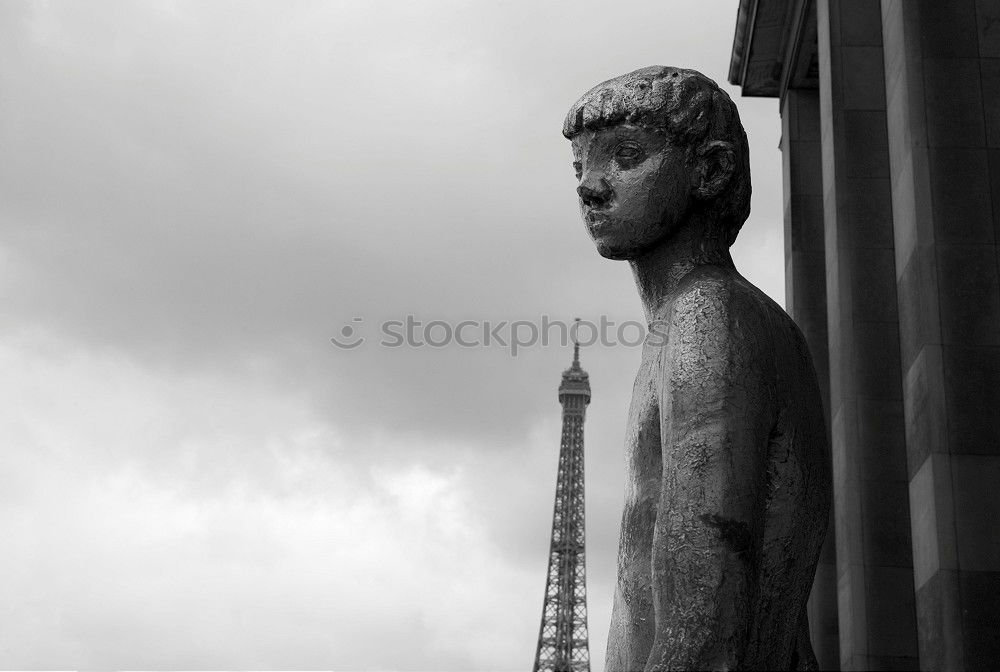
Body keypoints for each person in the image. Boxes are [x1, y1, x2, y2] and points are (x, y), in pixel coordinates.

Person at [564, 66, 830, 671]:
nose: (590, 186)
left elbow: (705, 628)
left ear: (709, 171)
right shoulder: (719, 318)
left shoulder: (707, 318)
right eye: (580, 167)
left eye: (625, 156)